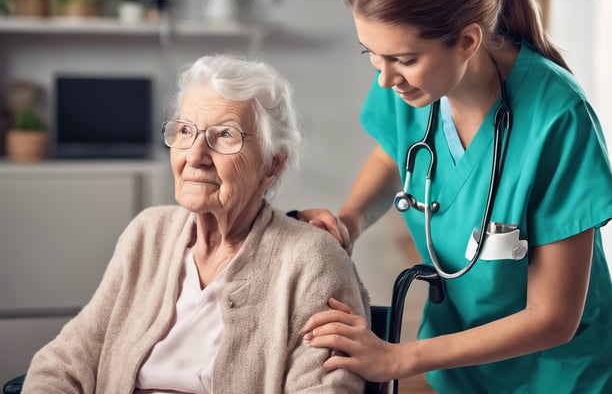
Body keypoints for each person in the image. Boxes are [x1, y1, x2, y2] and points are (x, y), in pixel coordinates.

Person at [298, 0, 612, 392]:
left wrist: (396, 357)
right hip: (462, 365)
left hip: (559, 374)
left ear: (467, 41)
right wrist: (349, 220)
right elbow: (395, 154)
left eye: (403, 59)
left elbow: (554, 317)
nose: (386, 79)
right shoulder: (411, 83)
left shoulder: (557, 118)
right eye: (371, 55)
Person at [22, 54, 369, 393]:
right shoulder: (148, 234)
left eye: (225, 136)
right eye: (185, 131)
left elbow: (327, 387)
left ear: (272, 164)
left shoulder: (312, 260)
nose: (195, 156)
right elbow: (67, 360)